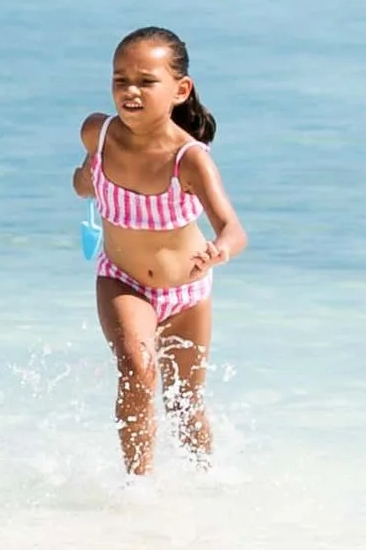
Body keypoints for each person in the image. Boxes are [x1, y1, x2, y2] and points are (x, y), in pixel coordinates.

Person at [74, 26, 245, 477]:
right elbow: (81, 182)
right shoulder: (98, 132)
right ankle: (139, 486)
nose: (130, 91)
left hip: (187, 293)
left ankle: (207, 484)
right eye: (120, 80)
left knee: (185, 403)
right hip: (122, 278)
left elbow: (232, 228)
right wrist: (89, 177)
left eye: (146, 82)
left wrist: (220, 251)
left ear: (179, 89)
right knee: (137, 367)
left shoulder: (189, 158)